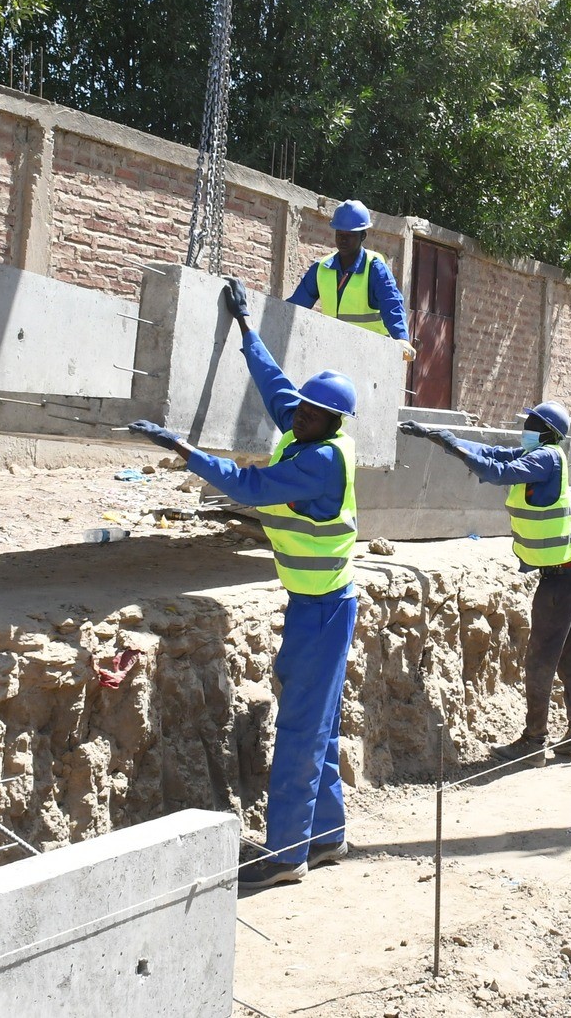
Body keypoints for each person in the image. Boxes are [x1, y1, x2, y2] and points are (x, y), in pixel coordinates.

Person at [129, 278, 360, 890]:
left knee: (301, 731)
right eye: (302, 408)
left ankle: (287, 855)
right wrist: (247, 329)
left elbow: (250, 487)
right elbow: (277, 388)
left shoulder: (318, 461)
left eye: (310, 411)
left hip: (323, 611)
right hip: (319, 605)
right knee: (321, 724)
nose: (298, 413)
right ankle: (327, 835)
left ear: (328, 420)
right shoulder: (309, 428)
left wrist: (185, 451)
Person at [401, 400, 571, 763]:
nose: (526, 429)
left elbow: (494, 471)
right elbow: (491, 452)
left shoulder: (545, 459)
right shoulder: (539, 455)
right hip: (570, 571)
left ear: (549, 432)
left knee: (539, 659)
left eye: (532, 424)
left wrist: (452, 445)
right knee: (567, 653)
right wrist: (441, 437)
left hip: (561, 577)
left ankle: (534, 741)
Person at [286, 199, 414, 358]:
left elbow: (392, 304)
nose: (343, 240)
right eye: (339, 234)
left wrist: (401, 339)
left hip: (371, 355)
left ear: (363, 235)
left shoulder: (375, 268)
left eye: (350, 235)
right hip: (333, 351)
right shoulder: (321, 268)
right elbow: (295, 307)